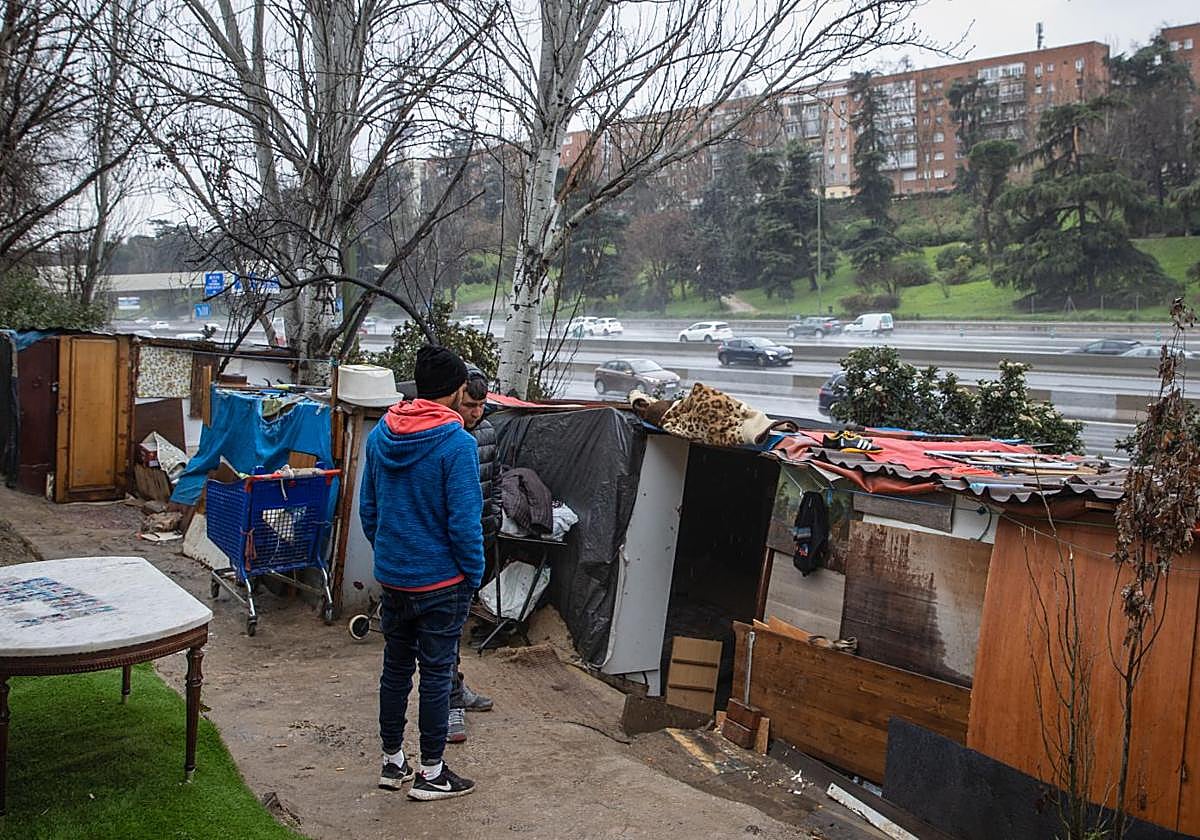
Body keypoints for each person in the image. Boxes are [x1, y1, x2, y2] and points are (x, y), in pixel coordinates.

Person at [359, 345, 483, 801]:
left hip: (394, 577)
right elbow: (465, 524)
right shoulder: (458, 444)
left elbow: (369, 510)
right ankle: (432, 773)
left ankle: (392, 763)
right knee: (436, 675)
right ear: (457, 390)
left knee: (395, 669)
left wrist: (391, 555)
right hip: (441, 583)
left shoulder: (381, 434)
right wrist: (473, 575)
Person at [445, 366, 500, 743]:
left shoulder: (488, 433)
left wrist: (492, 519)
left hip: (476, 540)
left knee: (457, 624)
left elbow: (495, 480)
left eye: (481, 406)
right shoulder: (445, 436)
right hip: (447, 546)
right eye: (469, 405)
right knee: (445, 632)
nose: (475, 412)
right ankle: (450, 704)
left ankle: (455, 688)